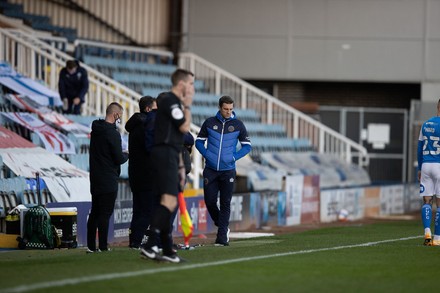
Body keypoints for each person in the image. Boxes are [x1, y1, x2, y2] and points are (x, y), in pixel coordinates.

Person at [140, 69, 194, 263]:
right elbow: (184, 128)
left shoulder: (171, 102)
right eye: (191, 84)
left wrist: (180, 166)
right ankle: (151, 244)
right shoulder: (171, 101)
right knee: (169, 201)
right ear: (182, 85)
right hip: (164, 155)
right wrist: (187, 106)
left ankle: (167, 251)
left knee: (169, 203)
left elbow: (177, 138)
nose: (192, 88)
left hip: (170, 156)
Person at [195, 95, 252, 246]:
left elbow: (247, 145)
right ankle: (222, 226)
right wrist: (207, 154)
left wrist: (234, 157)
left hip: (228, 170)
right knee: (210, 201)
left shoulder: (238, 125)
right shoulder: (209, 122)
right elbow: (199, 142)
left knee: (225, 202)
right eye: (225, 109)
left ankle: (222, 237)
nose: (228, 112)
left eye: (231, 109)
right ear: (220, 108)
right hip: (211, 170)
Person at [87, 102, 129, 253]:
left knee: (95, 213)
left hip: (95, 177)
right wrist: (126, 154)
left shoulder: (96, 130)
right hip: (108, 178)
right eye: (120, 116)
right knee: (105, 214)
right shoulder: (112, 133)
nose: (120, 119)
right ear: (116, 115)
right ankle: (103, 247)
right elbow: (118, 158)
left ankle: (91, 246)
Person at [125, 96, 157, 249]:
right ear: (148, 109)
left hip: (135, 174)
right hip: (147, 175)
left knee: (137, 210)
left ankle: (133, 241)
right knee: (147, 211)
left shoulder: (134, 126)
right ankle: (137, 241)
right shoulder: (145, 126)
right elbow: (149, 149)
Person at [418, 98, 440, 246]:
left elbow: (419, 148)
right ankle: (437, 238)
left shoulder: (426, 124)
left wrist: (420, 168)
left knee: (427, 201)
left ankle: (427, 232)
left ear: (437, 107)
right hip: (439, 165)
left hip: (426, 164)